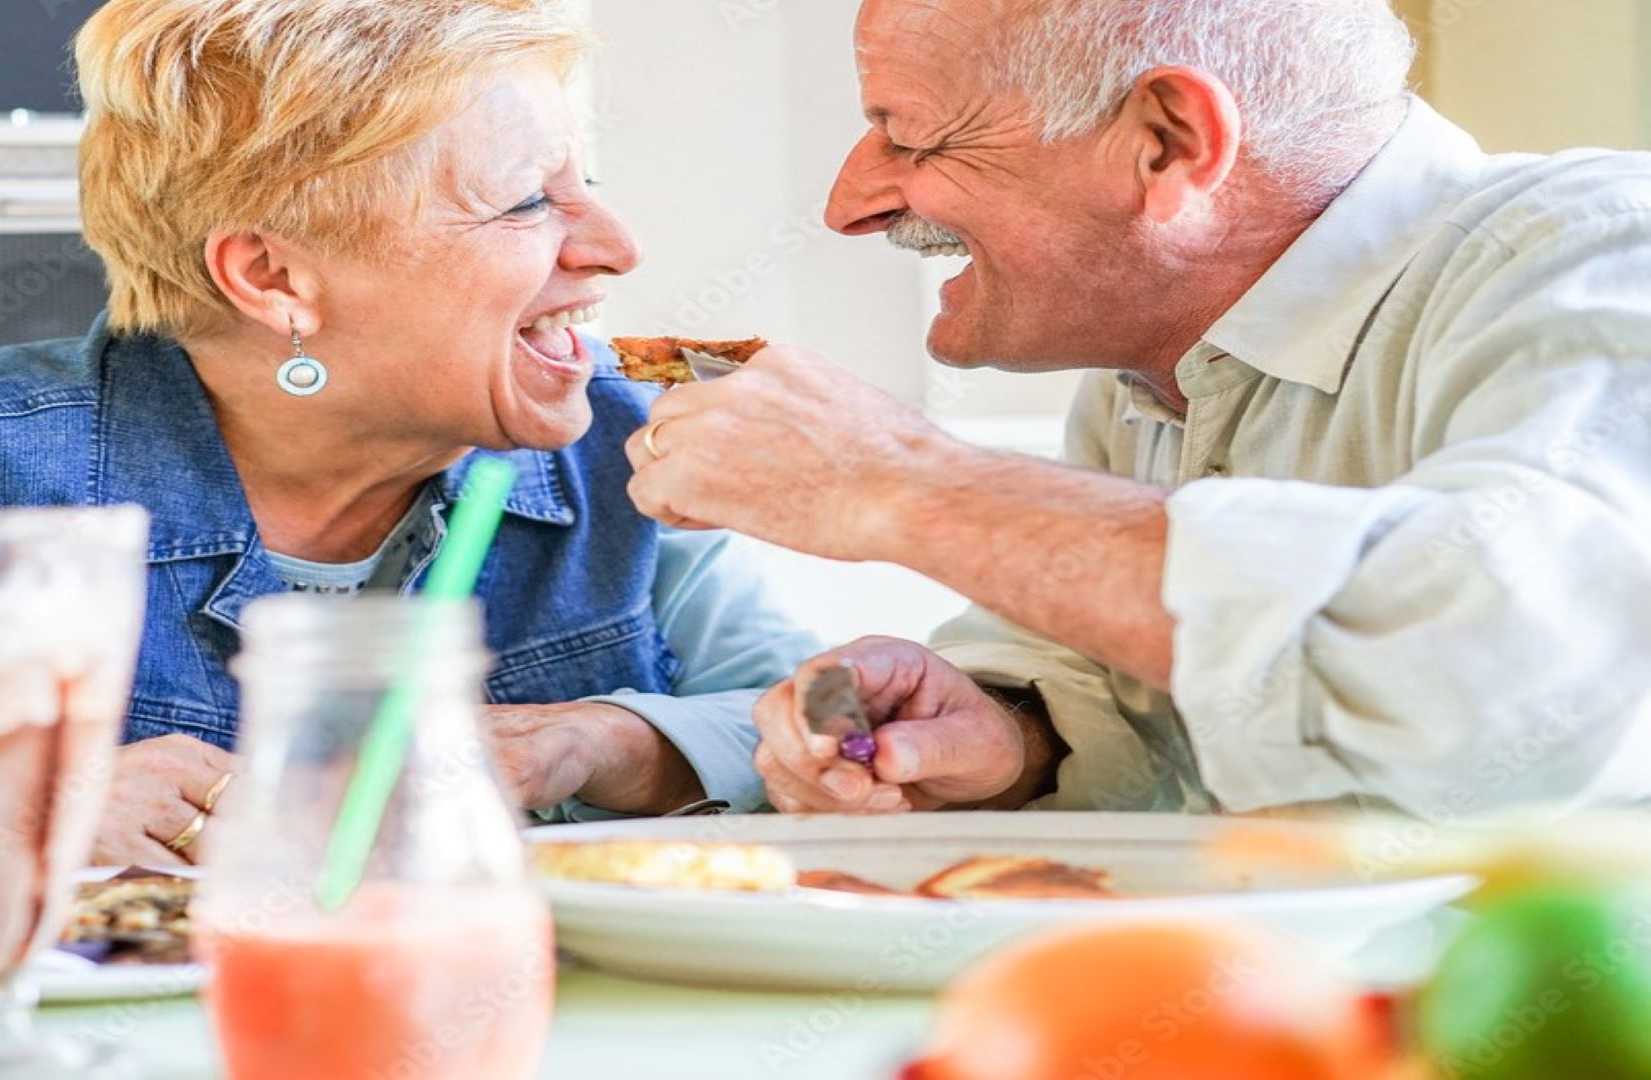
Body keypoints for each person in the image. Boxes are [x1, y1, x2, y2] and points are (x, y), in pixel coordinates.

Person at [0, 0, 817, 878]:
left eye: (588, 185)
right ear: (273, 277)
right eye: (528, 203)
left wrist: (601, 745)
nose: (617, 248)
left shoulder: (627, 452)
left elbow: (814, 735)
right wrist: (0, 800)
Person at [627, 0, 1651, 819]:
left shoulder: (1605, 255)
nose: (851, 204)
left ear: (1168, 142)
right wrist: (1008, 734)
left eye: (912, 138)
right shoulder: (1153, 377)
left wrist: (891, 479)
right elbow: (1163, 715)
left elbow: (1527, 662)